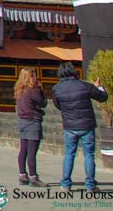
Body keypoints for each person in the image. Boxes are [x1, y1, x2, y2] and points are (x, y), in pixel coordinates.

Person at [52, 61, 108, 193]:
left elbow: (57, 105)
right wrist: (99, 87)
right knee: (89, 155)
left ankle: (65, 184)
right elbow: (102, 97)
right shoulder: (84, 85)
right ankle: (90, 186)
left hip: (70, 126)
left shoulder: (56, 88)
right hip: (86, 125)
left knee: (69, 154)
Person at [14, 67, 47, 187]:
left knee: (23, 149)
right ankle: (34, 177)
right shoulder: (33, 91)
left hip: (22, 121)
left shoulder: (19, 90)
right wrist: (40, 89)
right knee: (32, 152)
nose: (35, 78)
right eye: (33, 75)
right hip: (32, 121)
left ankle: (22, 175)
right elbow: (43, 103)